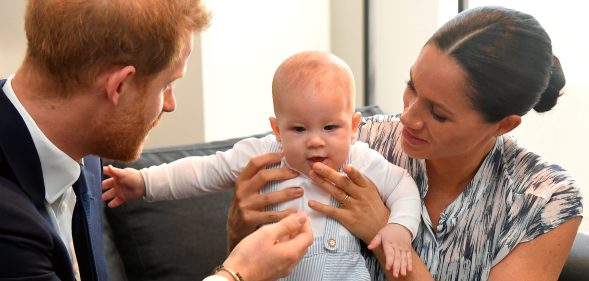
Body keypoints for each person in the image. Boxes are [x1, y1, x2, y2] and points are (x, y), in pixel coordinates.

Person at [226, 6, 584, 281]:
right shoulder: (353, 142)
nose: (408, 118)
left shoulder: (545, 200)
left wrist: (384, 233)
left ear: (503, 125)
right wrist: (239, 228)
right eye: (411, 86)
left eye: (439, 114)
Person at [0, 0, 312, 281]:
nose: (170, 103)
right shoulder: (9, 224)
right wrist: (238, 275)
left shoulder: (85, 148)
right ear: (119, 86)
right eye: (168, 84)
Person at [101, 50, 422, 279]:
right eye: (299, 129)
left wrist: (397, 228)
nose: (315, 141)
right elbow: (202, 171)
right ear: (276, 129)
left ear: (353, 127)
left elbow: (403, 186)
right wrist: (143, 182)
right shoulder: (262, 155)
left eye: (330, 128)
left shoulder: (360, 159)